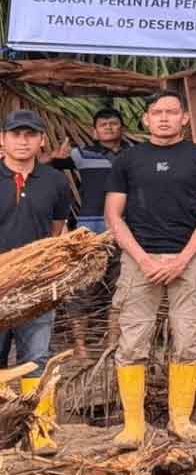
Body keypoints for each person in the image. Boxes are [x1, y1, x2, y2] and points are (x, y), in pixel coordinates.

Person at [105, 92, 196, 449]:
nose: (163, 118)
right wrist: (143, 259)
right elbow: (114, 215)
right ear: (145, 119)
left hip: (191, 260)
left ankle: (182, 421)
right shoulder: (128, 159)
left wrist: (182, 259)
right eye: (156, 113)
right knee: (132, 340)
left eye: (171, 112)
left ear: (184, 118)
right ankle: (133, 425)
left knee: (188, 339)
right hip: (137, 259)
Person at [0, 110, 72, 455]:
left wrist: (43, 271)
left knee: (38, 357)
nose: (23, 140)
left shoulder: (55, 181)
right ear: (3, 140)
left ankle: (40, 429)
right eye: (16, 134)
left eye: (30, 134)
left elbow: (58, 232)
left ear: (41, 140)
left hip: (39, 286)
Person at [47, 107, 130, 358]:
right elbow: (41, 168)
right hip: (89, 231)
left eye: (113, 123)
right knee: (82, 289)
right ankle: (80, 348)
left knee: (121, 287)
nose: (108, 127)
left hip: (126, 230)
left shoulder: (135, 155)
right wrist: (53, 156)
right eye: (102, 124)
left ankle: (112, 345)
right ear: (94, 131)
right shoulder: (81, 154)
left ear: (121, 128)